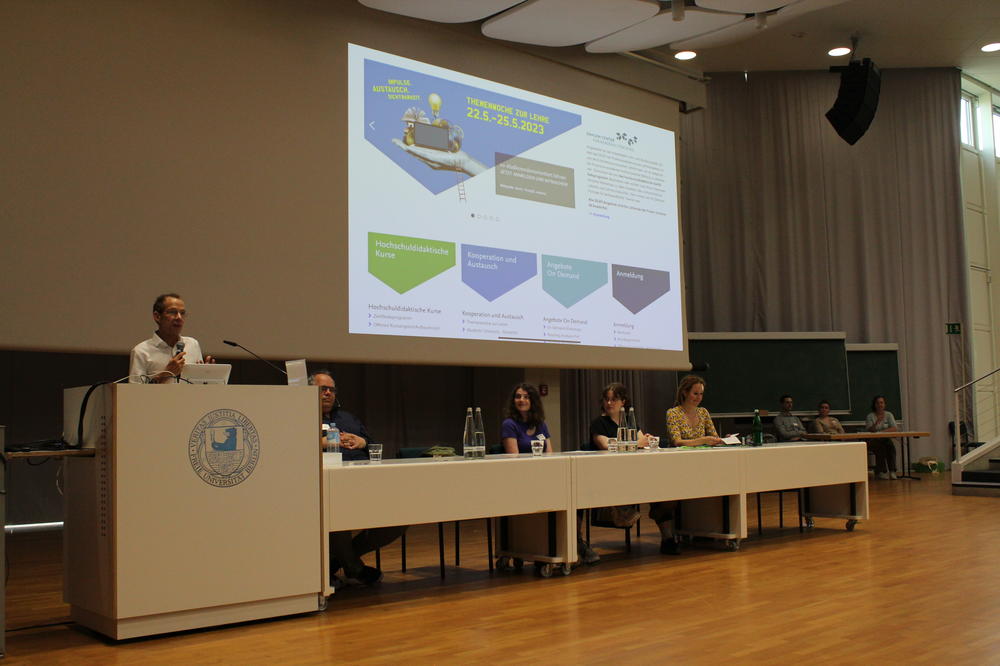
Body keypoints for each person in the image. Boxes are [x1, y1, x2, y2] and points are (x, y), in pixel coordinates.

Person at [310, 370, 405, 587]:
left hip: (365, 483)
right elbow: (289, 450)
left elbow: (373, 446)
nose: (328, 393)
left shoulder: (348, 418)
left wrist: (362, 442)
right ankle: (354, 568)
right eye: (322, 389)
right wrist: (320, 443)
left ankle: (338, 560)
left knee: (401, 517)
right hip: (327, 488)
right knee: (336, 515)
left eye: (331, 389)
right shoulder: (300, 419)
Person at [129, 293, 214, 383]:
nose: (179, 317)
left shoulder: (193, 344)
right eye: (172, 312)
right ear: (157, 316)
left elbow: (198, 386)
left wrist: (206, 376)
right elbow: (134, 390)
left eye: (182, 313)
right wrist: (165, 375)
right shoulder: (141, 351)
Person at [665, 375, 724, 447]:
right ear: (685, 393)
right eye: (695, 394)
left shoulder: (703, 412)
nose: (699, 397)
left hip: (702, 453)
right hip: (680, 453)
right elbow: (677, 442)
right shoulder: (673, 413)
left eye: (701, 394)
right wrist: (703, 440)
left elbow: (715, 438)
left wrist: (723, 440)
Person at [501, 383, 552, 454]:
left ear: (533, 401)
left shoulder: (541, 424)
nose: (521, 400)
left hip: (541, 461)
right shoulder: (509, 424)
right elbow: (514, 457)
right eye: (518, 397)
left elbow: (549, 454)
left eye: (526, 397)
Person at [865, 395, 899, 480]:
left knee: (890, 446)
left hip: (885, 439)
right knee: (880, 447)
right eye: (878, 403)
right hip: (873, 440)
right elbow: (870, 430)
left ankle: (892, 471)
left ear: (884, 404)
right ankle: (881, 471)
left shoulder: (889, 415)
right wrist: (877, 422)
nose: (880, 405)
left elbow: (894, 428)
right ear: (874, 405)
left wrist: (882, 432)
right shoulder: (870, 416)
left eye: (881, 402)